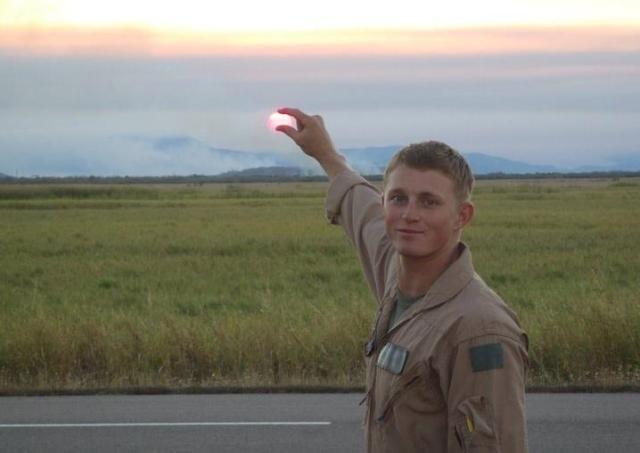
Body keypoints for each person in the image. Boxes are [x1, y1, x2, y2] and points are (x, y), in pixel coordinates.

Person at [276, 107, 529, 453]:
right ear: (385, 204)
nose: (410, 215)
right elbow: (362, 215)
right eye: (398, 198)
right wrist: (326, 155)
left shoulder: (477, 330)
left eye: (429, 202)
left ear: (462, 216)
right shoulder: (398, 278)